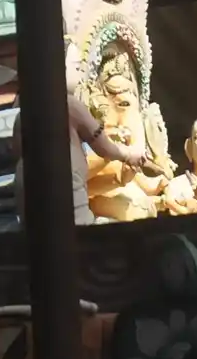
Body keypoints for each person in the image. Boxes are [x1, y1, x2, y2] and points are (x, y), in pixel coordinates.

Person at [13, 43, 147, 225]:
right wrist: (130, 154)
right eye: (76, 68)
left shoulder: (22, 115)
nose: (80, 75)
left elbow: (17, 153)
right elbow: (105, 149)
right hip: (66, 195)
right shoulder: (69, 105)